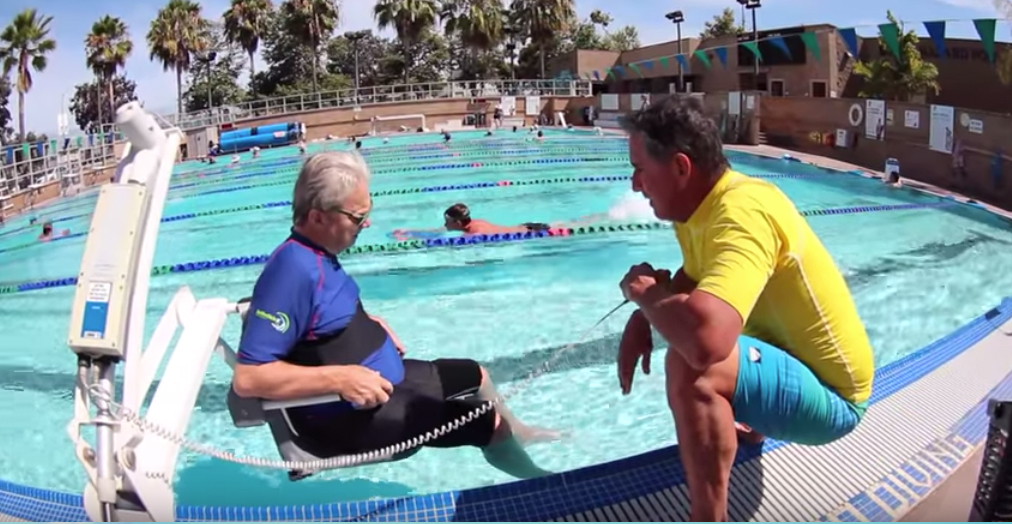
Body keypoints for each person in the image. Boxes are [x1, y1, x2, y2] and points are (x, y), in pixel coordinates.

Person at [615, 96, 874, 521]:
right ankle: (750, 426)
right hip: (794, 366)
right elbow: (692, 287)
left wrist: (646, 295)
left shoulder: (741, 215)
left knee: (692, 365)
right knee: (691, 315)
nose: (634, 184)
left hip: (836, 399)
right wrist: (642, 317)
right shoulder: (699, 210)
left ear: (681, 167)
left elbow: (704, 343)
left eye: (641, 169)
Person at [233, 152, 558, 478]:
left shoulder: (317, 253)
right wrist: (339, 378)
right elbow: (249, 378)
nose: (368, 224)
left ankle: (523, 434)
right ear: (318, 217)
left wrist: (369, 322)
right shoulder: (292, 272)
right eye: (358, 217)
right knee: (492, 426)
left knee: (477, 375)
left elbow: (322, 316)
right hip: (354, 417)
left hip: (384, 381)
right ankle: (545, 486)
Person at [391, 203, 605, 241]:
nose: (444, 224)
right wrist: (411, 232)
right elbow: (438, 230)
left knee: (571, 226)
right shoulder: (472, 223)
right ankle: (600, 216)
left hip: (531, 233)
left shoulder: (474, 233)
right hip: (527, 225)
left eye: (447, 221)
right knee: (570, 222)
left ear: (457, 223)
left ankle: (604, 217)